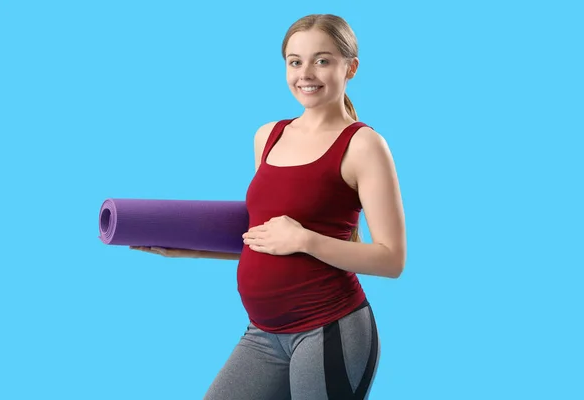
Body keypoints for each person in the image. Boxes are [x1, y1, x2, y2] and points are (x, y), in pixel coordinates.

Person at [131, 13, 406, 400]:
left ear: (351, 68)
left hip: (328, 330)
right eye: (295, 61)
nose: (306, 73)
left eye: (322, 60)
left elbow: (391, 259)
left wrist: (305, 239)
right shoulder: (269, 136)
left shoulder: (364, 145)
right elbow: (268, 237)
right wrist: (193, 249)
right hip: (263, 333)